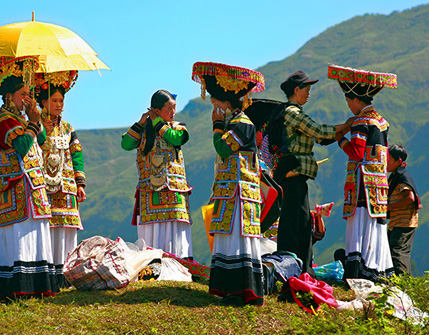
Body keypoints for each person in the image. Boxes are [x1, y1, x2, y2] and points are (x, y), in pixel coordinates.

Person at [0, 56, 58, 300]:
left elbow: (41, 142)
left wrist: (36, 119)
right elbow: (21, 145)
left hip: (34, 186)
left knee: (37, 231)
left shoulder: (23, 118)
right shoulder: (3, 121)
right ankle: (18, 287)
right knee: (20, 234)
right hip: (16, 188)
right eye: (23, 94)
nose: (27, 99)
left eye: (28, 94)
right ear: (9, 96)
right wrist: (32, 122)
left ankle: (39, 286)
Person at [192, 61, 265, 306]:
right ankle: (231, 288)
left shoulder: (241, 125)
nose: (215, 108)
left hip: (239, 194)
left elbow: (223, 148)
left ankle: (240, 289)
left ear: (226, 103)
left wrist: (215, 127)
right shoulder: (234, 124)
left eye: (217, 104)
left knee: (237, 239)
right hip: (232, 193)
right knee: (230, 238)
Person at [271, 71, 353, 277]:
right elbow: (319, 132)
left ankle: (299, 269)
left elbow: (321, 136)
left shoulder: (290, 112)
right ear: (296, 90)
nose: (309, 94)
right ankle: (293, 269)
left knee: (300, 223)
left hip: (295, 177)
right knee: (295, 224)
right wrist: (350, 124)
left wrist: (342, 129)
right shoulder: (292, 113)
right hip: (293, 177)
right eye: (306, 90)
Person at [329, 63, 397, 282]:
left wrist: (339, 139)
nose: (349, 105)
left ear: (357, 100)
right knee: (375, 227)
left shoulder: (361, 122)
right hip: (378, 184)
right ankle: (377, 269)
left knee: (359, 225)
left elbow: (357, 152)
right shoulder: (381, 122)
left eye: (349, 101)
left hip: (362, 185)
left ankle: (358, 270)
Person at [121, 90, 193, 258]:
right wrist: (141, 123)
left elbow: (176, 139)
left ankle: (180, 263)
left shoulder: (177, 127)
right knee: (153, 229)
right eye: (169, 108)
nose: (173, 112)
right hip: (150, 190)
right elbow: (126, 144)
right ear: (157, 110)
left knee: (174, 226)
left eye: (174, 107)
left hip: (174, 190)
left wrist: (158, 123)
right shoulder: (143, 131)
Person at [34, 71, 86, 288]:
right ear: (43, 102)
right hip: (45, 188)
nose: (59, 104)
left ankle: (67, 275)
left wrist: (80, 183)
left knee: (67, 230)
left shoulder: (68, 128)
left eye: (61, 100)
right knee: (49, 230)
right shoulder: (34, 125)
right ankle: (49, 278)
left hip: (67, 187)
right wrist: (39, 131)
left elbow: (77, 154)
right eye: (54, 100)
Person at [387, 143, 421, 275]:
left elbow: (410, 197)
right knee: (393, 251)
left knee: (398, 253)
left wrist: (389, 207)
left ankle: (404, 286)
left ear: (398, 161)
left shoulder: (401, 177)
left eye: (389, 160)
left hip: (404, 222)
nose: (386, 163)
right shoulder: (396, 175)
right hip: (397, 222)